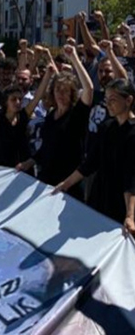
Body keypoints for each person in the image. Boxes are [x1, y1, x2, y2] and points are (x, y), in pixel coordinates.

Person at [54, 79, 135, 230]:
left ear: (128, 100)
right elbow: (90, 163)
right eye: (106, 99)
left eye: (113, 100)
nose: (108, 104)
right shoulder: (107, 127)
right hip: (100, 196)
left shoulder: (132, 133)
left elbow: (131, 178)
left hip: (121, 204)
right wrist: (65, 184)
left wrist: (130, 216)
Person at [17, 45, 94, 200]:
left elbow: (89, 89)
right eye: (58, 89)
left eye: (65, 90)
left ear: (72, 93)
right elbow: (46, 147)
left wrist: (74, 58)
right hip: (46, 181)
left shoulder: (76, 114)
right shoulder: (51, 116)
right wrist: (28, 162)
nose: (60, 94)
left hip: (67, 185)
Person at [0, 63, 54, 169]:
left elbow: (37, 97)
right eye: (13, 99)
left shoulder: (23, 115)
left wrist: (48, 75)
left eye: (20, 99)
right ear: (6, 102)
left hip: (20, 170)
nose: (18, 102)